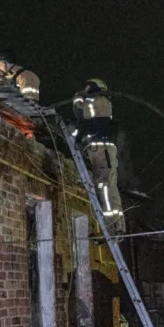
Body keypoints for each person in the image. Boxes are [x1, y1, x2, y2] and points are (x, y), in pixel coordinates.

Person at [71, 79, 124, 233]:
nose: (85, 89)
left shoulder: (100, 101)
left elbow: (81, 112)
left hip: (102, 150)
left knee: (104, 185)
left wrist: (77, 98)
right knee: (105, 185)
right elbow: (83, 127)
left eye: (88, 87)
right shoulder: (98, 106)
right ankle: (115, 225)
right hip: (98, 150)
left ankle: (111, 226)